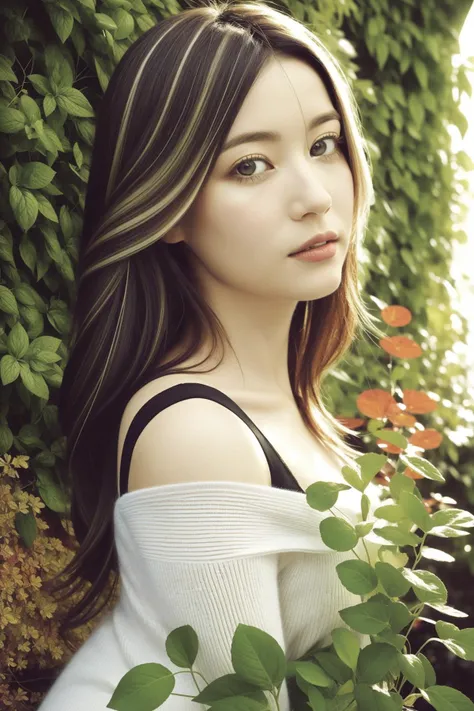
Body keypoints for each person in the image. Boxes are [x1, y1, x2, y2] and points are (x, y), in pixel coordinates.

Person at [39, 2, 385, 709]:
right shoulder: (196, 433)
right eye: (251, 166)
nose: (316, 198)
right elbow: (246, 697)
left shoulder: (289, 402)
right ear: (167, 206)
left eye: (324, 146)